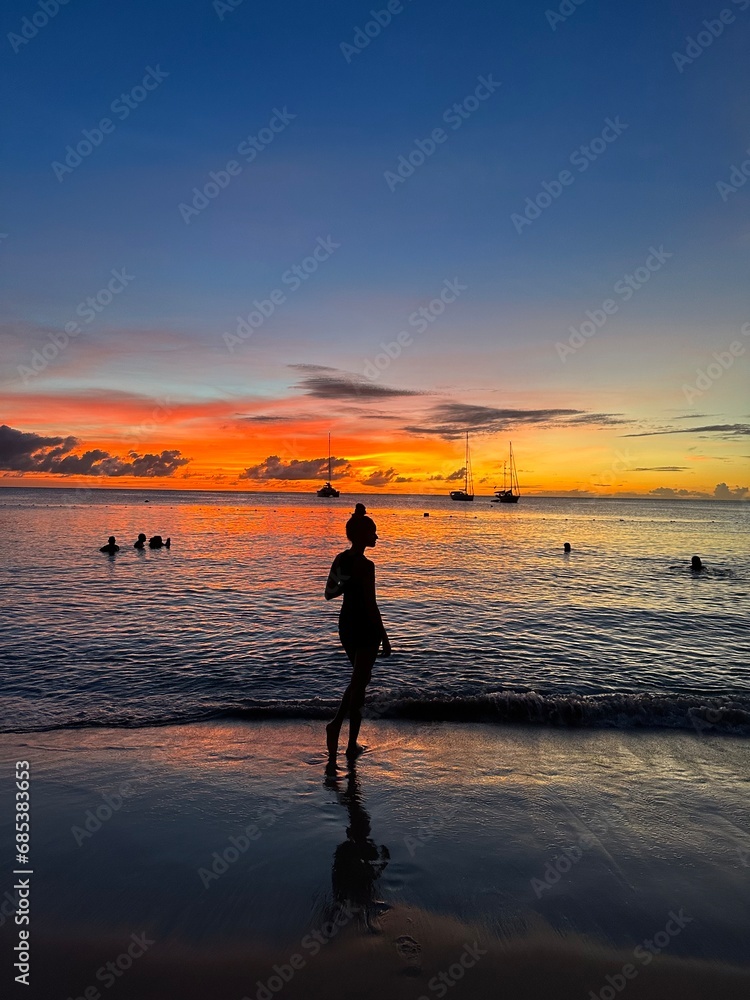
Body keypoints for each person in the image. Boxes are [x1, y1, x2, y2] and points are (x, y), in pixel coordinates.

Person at [325, 504, 391, 758]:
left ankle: (338, 729)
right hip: (364, 627)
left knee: (358, 680)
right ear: (362, 535)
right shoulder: (366, 565)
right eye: (373, 533)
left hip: (346, 626)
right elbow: (371, 605)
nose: (376, 537)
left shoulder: (341, 559)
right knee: (360, 683)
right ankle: (347, 740)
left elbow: (329, 593)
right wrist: (385, 637)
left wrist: (347, 585)